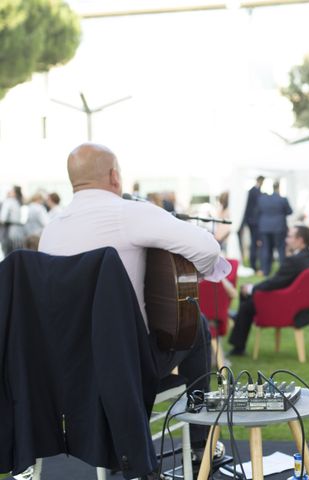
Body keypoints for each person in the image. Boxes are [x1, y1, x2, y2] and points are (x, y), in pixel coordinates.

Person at [38, 143, 230, 458]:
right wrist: (194, 276)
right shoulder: (128, 213)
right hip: (124, 368)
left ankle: (121, 441)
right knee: (197, 325)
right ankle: (199, 445)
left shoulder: (52, 229)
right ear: (114, 176)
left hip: (65, 370)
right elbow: (208, 250)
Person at [228, 225, 309, 356]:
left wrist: (252, 288)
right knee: (248, 296)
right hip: (303, 306)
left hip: (286, 307)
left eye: (290, 236)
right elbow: (281, 282)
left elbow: (275, 282)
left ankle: (238, 346)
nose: (286, 240)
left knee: (247, 301)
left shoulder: (294, 261)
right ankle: (239, 319)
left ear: (300, 240)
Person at [257, 180, 292, 276]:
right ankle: (282, 270)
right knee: (281, 249)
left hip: (265, 227)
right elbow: (289, 211)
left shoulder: (262, 199)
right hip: (279, 227)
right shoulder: (282, 199)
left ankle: (265, 270)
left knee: (266, 249)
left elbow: (258, 212)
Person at [240, 175, 264, 273]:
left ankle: (253, 263)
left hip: (252, 221)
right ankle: (253, 264)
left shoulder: (253, 191)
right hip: (254, 222)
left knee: (255, 243)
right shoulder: (254, 191)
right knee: (255, 243)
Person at [0, 185, 26, 255]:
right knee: (16, 252)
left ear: (14, 193)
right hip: (19, 232)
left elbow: (3, 218)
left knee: (7, 253)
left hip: (8, 231)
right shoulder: (19, 202)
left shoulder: (9, 201)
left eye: (11, 190)